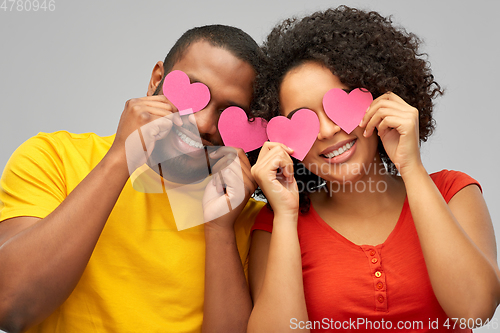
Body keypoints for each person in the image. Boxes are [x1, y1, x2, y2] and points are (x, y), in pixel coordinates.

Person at [247, 6, 500, 332]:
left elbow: (475, 310)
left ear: (379, 98)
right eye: (301, 122)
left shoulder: (454, 192)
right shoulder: (275, 224)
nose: (325, 132)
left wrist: (411, 167)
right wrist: (284, 216)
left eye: (336, 106)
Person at [0, 25, 264, 333]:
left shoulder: (251, 222)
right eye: (194, 94)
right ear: (155, 81)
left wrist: (219, 230)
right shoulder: (53, 156)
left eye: (229, 113)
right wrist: (120, 158)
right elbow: (10, 305)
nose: (203, 123)